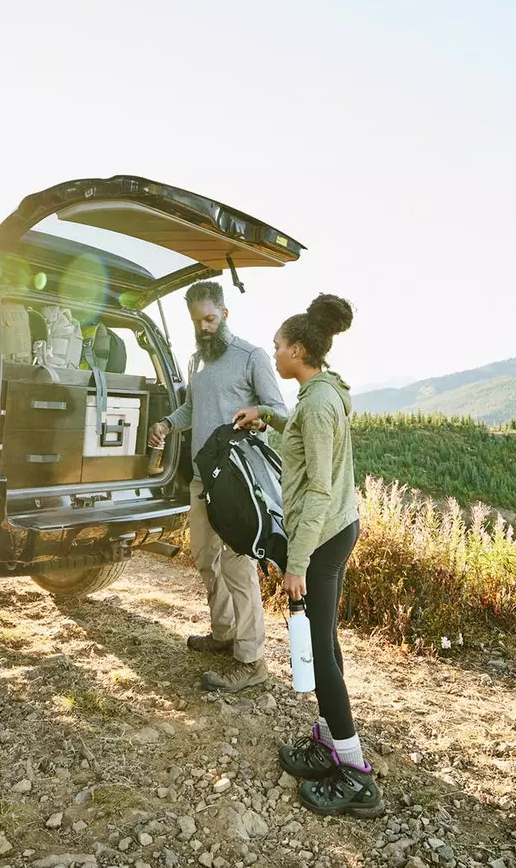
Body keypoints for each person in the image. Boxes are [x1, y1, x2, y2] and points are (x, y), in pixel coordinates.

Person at [234, 294, 380, 818]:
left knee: (319, 652)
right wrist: (266, 416)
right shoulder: (321, 391)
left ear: (297, 349)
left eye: (277, 347)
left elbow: (317, 489)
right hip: (337, 530)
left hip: (322, 537)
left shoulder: (318, 403)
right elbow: (302, 431)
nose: (272, 355)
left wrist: (296, 563)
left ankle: (356, 773)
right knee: (325, 643)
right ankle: (327, 739)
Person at [147, 280, 288, 693]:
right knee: (206, 558)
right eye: (197, 322)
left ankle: (251, 659)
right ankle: (224, 633)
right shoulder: (196, 362)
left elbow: (278, 411)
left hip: (238, 484)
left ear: (225, 314)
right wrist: (167, 424)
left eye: (210, 318)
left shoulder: (252, 356)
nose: (204, 327)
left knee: (236, 565)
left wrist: (258, 413)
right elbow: (193, 406)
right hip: (201, 479)